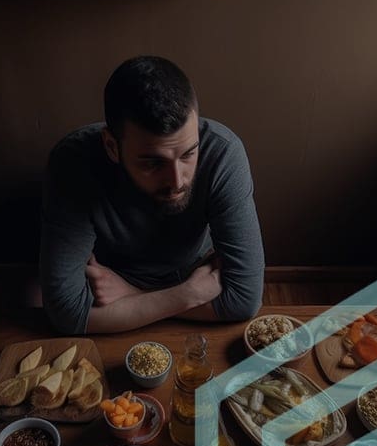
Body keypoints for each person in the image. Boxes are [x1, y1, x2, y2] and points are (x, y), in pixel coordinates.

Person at [40, 56, 265, 334]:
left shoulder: (223, 153)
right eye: (153, 163)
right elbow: (66, 313)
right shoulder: (73, 162)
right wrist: (187, 295)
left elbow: (244, 300)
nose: (177, 180)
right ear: (112, 147)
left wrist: (132, 296)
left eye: (188, 154)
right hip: (110, 285)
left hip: (163, 280)